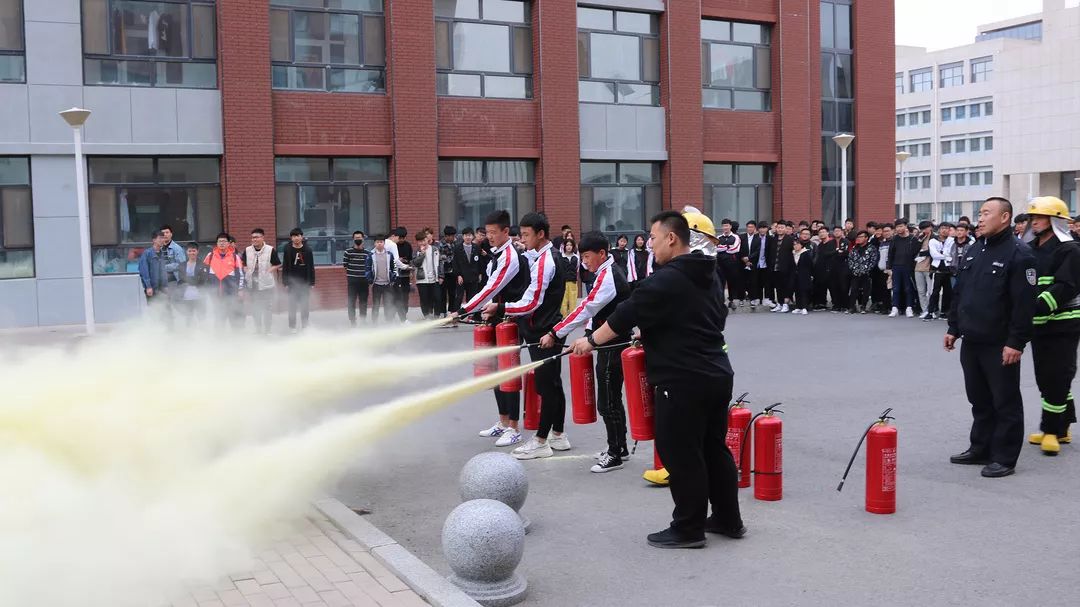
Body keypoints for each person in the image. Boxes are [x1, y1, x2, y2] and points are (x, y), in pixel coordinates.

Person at [571, 210, 744, 549]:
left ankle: (688, 528)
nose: (649, 244)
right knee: (713, 448)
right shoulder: (709, 273)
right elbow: (705, 318)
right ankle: (728, 518)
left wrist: (590, 341)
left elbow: (624, 315)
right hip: (717, 374)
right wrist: (653, 333)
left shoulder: (667, 279)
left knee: (681, 451)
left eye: (653, 237)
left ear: (672, 238)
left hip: (682, 379)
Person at [945, 197, 1036, 478]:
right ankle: (981, 447)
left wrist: (1016, 342)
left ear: (1005, 217)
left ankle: (1005, 457)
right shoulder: (975, 249)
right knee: (979, 399)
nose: (980, 218)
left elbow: (1024, 305)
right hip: (972, 339)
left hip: (1000, 343)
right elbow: (961, 292)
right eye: (980, 213)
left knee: (1005, 401)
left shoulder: (1019, 254)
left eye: (986, 213)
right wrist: (953, 328)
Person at [481, 212, 569, 461]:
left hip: (544, 330)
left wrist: (500, 307)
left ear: (541, 234)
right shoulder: (544, 256)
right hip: (547, 327)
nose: (523, 239)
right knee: (553, 383)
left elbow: (531, 302)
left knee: (547, 386)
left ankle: (541, 441)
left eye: (526, 235)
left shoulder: (547, 261)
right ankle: (558, 435)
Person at [544, 232, 632, 472]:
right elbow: (595, 311)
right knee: (612, 398)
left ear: (601, 253)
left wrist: (554, 333)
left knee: (607, 402)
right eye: (582, 257)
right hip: (608, 342)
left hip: (613, 345)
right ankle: (620, 447)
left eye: (586, 256)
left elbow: (586, 307)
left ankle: (614, 454)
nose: (584, 262)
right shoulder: (604, 272)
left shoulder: (609, 275)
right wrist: (587, 335)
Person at [455, 210, 529, 448]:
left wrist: (464, 309)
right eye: (487, 233)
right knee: (497, 370)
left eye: (493, 232)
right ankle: (503, 421)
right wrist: (484, 311)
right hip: (498, 318)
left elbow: (492, 288)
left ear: (506, 231)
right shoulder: (495, 255)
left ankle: (514, 428)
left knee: (509, 372)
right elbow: (489, 287)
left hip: (512, 320)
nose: (489, 237)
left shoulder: (510, 257)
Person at [1021, 197, 1080, 455]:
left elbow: (1066, 286)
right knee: (1047, 376)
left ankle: (1051, 431)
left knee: (1058, 376)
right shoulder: (1029, 248)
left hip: (1064, 323)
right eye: (1032, 217)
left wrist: (1036, 306)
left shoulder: (1070, 249)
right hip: (1039, 324)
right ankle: (1063, 427)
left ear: (1055, 220)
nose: (1034, 221)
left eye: (1040, 217)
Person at [243, 228, 282, 334]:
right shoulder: (247, 250)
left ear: (262, 237)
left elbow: (277, 264)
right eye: (252, 237)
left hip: (266, 285)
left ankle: (267, 330)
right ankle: (258, 329)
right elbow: (243, 263)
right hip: (252, 284)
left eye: (256, 237)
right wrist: (246, 270)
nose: (254, 239)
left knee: (267, 308)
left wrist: (268, 271)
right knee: (255, 308)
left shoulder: (270, 250)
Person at [204, 232, 245, 329]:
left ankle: (236, 336)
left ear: (228, 243)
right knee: (219, 317)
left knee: (233, 317)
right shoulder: (210, 256)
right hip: (216, 293)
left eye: (224, 241)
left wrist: (240, 290)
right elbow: (204, 273)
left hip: (231, 293)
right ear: (217, 243)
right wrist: (207, 288)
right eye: (220, 241)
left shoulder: (235, 257)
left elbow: (241, 275)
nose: (222, 243)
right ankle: (219, 336)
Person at [282, 228, 316, 332]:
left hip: (304, 282)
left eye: (298, 236)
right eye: (293, 236)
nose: (296, 238)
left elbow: (311, 267)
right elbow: (285, 266)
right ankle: (292, 326)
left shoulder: (308, 250)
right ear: (291, 238)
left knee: (304, 305)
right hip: (292, 283)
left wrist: (312, 282)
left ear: (302, 237)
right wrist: (285, 282)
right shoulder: (287, 249)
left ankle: (305, 325)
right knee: (292, 305)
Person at [887, 219, 919, 317]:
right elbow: (890, 254)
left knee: (908, 288)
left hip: (908, 267)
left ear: (905, 226)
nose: (899, 228)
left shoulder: (913, 239)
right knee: (896, 288)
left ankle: (909, 308)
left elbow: (916, 254)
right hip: (896, 266)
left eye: (901, 226)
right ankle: (894, 308)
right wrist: (889, 268)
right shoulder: (894, 239)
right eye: (897, 227)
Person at [411, 230, 444, 319]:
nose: (422, 243)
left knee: (437, 298)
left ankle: (437, 316)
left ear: (427, 239)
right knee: (424, 299)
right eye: (420, 241)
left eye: (424, 240)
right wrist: (422, 254)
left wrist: (441, 276)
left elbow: (440, 262)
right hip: (422, 279)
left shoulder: (434, 249)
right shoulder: (416, 251)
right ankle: (427, 316)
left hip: (434, 278)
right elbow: (416, 263)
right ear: (417, 242)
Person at [925, 223, 954, 321]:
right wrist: (946, 256)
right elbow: (934, 255)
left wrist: (944, 255)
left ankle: (944, 312)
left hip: (948, 269)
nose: (944, 230)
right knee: (934, 291)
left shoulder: (952, 240)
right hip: (936, 269)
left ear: (949, 230)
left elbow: (951, 253)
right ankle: (931, 311)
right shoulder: (933, 241)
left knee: (947, 292)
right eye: (942, 228)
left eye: (947, 228)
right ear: (939, 230)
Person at [343, 230, 372, 326]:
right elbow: (345, 266)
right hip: (352, 282)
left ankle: (363, 320)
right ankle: (352, 321)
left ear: (363, 239)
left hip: (364, 282)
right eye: (356, 238)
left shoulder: (367, 253)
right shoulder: (348, 252)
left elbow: (369, 267)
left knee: (363, 302)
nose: (358, 240)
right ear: (353, 239)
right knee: (351, 302)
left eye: (359, 238)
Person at [176, 242, 209, 325]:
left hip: (200, 296)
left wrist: (188, 280)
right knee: (188, 318)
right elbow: (181, 278)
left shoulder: (203, 265)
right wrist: (194, 279)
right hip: (186, 296)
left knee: (201, 318)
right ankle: (189, 332)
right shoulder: (182, 265)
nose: (192, 253)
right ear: (186, 252)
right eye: (189, 251)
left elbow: (203, 280)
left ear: (197, 252)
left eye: (194, 251)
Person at [846, 230, 879, 314]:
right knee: (853, 290)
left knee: (866, 290)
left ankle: (863, 306)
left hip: (867, 273)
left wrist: (867, 269)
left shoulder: (871, 248)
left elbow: (873, 260)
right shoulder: (854, 248)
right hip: (855, 272)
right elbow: (850, 259)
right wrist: (853, 269)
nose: (859, 239)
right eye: (858, 237)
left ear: (866, 238)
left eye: (861, 237)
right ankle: (852, 307)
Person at [369, 234, 397, 323]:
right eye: (377, 242)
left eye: (381, 242)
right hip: (376, 284)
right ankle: (374, 322)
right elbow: (367, 268)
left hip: (387, 284)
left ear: (384, 243)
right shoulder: (371, 255)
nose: (379, 244)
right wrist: (370, 280)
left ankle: (389, 322)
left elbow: (394, 267)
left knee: (388, 304)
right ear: (374, 243)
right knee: (376, 305)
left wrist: (393, 278)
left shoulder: (389, 254)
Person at [453, 227, 484, 303]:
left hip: (473, 276)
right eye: (466, 235)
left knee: (472, 298)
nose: (468, 237)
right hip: (462, 277)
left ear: (473, 236)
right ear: (463, 236)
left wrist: (480, 273)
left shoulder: (476, 247)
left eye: (469, 235)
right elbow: (455, 262)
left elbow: (480, 262)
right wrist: (458, 275)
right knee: (459, 297)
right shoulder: (457, 248)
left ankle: (470, 311)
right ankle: (458, 310)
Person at [716, 220, 742, 309]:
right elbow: (716, 248)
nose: (725, 228)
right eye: (724, 226)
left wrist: (723, 247)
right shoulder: (718, 237)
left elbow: (735, 249)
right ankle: (721, 302)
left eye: (727, 226)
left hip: (732, 263)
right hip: (720, 263)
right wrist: (727, 247)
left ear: (730, 226)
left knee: (732, 282)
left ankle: (731, 301)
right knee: (720, 282)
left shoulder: (736, 237)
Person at [389, 227, 413, 322]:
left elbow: (410, 259)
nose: (401, 240)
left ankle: (404, 315)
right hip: (395, 275)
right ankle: (392, 317)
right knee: (395, 297)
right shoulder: (393, 245)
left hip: (405, 275)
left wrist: (411, 271)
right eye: (400, 238)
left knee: (405, 297)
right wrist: (399, 261)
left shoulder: (408, 246)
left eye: (403, 238)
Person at [138, 230, 168, 304]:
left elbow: (163, 271)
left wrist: (165, 286)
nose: (162, 240)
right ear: (154, 240)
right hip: (152, 288)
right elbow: (144, 271)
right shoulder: (147, 253)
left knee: (165, 308)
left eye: (163, 238)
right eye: (160, 238)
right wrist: (148, 287)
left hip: (161, 289)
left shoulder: (162, 254)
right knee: (153, 308)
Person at [771, 222, 795, 313]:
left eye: (782, 227)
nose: (780, 229)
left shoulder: (790, 239)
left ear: (785, 229)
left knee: (786, 286)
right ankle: (780, 304)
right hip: (775, 267)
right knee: (778, 287)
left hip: (787, 267)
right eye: (778, 227)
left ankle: (785, 304)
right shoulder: (773, 239)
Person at [873, 224, 894, 313]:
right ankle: (885, 307)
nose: (886, 233)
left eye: (888, 231)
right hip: (882, 269)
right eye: (884, 231)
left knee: (892, 289)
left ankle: (895, 307)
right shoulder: (882, 243)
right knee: (884, 290)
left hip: (891, 269)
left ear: (892, 231)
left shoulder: (894, 242)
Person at [439, 226, 459, 317]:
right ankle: (442, 311)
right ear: (446, 236)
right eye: (452, 236)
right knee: (442, 293)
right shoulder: (440, 245)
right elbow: (441, 259)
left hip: (453, 272)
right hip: (443, 273)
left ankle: (451, 311)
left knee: (452, 293)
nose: (454, 238)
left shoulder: (456, 244)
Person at [558, 239, 580, 318]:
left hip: (573, 282)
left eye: (570, 245)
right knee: (563, 300)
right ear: (564, 246)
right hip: (563, 282)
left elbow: (577, 268)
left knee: (573, 300)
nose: (569, 247)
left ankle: (571, 317)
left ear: (573, 246)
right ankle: (563, 317)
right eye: (567, 245)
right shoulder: (561, 257)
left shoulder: (576, 257)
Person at [791, 238, 813, 315]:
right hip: (795, 276)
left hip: (804, 275)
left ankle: (804, 307)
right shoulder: (792, 253)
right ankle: (798, 307)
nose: (796, 246)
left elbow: (810, 265)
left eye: (797, 244)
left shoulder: (805, 253)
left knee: (803, 291)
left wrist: (810, 275)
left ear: (801, 245)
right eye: (794, 244)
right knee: (797, 291)